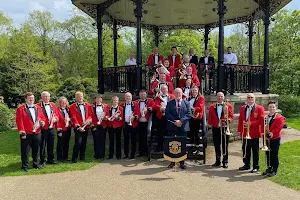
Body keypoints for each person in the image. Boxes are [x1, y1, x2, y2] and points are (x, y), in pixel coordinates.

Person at [16, 92, 46, 172]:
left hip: (37, 132)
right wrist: (22, 132)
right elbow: (19, 121)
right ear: (26, 99)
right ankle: (25, 166)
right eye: (29, 98)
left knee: (36, 149)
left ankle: (36, 164)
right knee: (25, 150)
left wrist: (42, 122)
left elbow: (42, 117)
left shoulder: (38, 107)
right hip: (26, 133)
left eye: (32, 98)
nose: (31, 99)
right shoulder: (20, 109)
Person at [165, 88, 191, 169]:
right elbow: (167, 113)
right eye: (176, 93)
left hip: (183, 127)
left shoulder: (186, 103)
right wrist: (175, 121)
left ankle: (182, 163)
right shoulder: (170, 103)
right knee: (172, 143)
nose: (178, 94)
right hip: (172, 126)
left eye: (179, 92)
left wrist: (181, 121)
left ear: (182, 93)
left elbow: (189, 114)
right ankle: (172, 162)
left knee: (182, 144)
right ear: (174, 93)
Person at [238, 93, 264, 173]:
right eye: (248, 97)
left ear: (254, 99)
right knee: (245, 149)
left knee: (255, 150)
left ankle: (256, 166)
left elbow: (261, 120)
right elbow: (240, 120)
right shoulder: (243, 108)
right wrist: (240, 131)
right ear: (246, 99)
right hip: (245, 133)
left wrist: (251, 123)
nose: (250, 99)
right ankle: (246, 164)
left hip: (254, 132)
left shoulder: (259, 108)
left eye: (252, 97)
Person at [208, 92, 234, 168]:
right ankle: (218, 161)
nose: (220, 97)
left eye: (221, 96)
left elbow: (231, 116)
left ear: (223, 97)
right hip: (216, 128)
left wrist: (227, 120)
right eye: (218, 96)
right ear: (216, 97)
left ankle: (225, 161)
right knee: (216, 145)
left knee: (225, 146)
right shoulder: (212, 106)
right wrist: (210, 127)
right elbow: (210, 118)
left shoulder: (228, 106)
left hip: (225, 128)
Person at [262, 101, 285, 177]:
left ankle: (274, 170)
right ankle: (269, 167)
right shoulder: (265, 117)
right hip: (267, 138)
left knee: (274, 154)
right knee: (267, 153)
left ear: (276, 108)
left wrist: (272, 132)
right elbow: (263, 126)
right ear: (268, 108)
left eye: (273, 107)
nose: (271, 108)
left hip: (275, 138)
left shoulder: (279, 117)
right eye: (270, 107)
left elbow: (279, 127)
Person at [69, 91, 93, 163]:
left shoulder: (87, 105)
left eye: (81, 96)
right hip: (78, 127)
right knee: (78, 142)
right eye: (78, 97)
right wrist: (78, 126)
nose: (80, 98)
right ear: (76, 98)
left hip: (86, 126)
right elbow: (73, 117)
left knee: (84, 142)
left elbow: (90, 114)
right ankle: (74, 158)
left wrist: (88, 120)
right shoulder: (73, 106)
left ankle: (82, 157)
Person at [38, 91, 60, 166]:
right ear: (42, 97)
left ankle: (51, 159)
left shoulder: (53, 105)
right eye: (45, 96)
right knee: (42, 145)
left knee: (51, 144)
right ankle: (43, 160)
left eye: (48, 96)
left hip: (51, 128)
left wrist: (56, 119)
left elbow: (57, 115)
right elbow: (37, 117)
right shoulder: (38, 106)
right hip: (43, 129)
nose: (47, 98)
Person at [153, 85, 175, 151]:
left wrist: (167, 108)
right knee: (160, 133)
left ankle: (168, 147)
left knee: (169, 132)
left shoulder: (172, 96)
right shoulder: (158, 97)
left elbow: (174, 106)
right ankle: (160, 147)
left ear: (167, 89)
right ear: (160, 90)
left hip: (169, 118)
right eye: (162, 89)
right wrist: (160, 108)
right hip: (161, 117)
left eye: (165, 89)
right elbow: (154, 105)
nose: (164, 90)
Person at [120, 92, 140, 159]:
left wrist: (134, 117)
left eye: (129, 96)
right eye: (127, 96)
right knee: (126, 140)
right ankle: (126, 154)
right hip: (125, 124)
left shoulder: (136, 104)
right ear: (125, 98)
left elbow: (138, 113)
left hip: (133, 124)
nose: (128, 98)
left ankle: (132, 154)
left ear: (131, 97)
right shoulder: (122, 105)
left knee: (133, 140)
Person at [135, 90, 154, 157]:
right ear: (139, 95)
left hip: (147, 121)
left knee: (147, 137)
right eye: (141, 95)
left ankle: (146, 152)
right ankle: (140, 152)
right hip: (139, 122)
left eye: (144, 94)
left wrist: (149, 109)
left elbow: (153, 107)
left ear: (146, 95)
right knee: (140, 137)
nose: (142, 96)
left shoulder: (150, 100)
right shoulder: (136, 102)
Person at [91, 94, 109, 159]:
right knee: (96, 140)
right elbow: (90, 116)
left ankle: (102, 155)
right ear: (95, 99)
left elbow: (108, 115)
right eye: (97, 98)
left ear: (101, 99)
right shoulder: (91, 106)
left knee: (102, 140)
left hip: (103, 125)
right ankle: (96, 155)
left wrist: (105, 117)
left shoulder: (106, 106)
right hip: (95, 125)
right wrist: (92, 126)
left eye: (100, 98)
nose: (99, 100)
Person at [188, 86, 205, 155]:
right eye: (193, 90)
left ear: (198, 91)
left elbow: (201, 107)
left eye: (196, 90)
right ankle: (192, 146)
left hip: (197, 117)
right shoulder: (189, 98)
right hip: (190, 117)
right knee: (190, 133)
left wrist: (193, 109)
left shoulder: (201, 98)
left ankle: (197, 147)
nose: (194, 92)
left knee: (196, 133)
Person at [56, 96, 72, 162]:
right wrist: (59, 130)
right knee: (60, 143)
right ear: (60, 103)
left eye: (65, 102)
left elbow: (71, 118)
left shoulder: (68, 109)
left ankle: (65, 156)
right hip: (61, 129)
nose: (64, 103)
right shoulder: (57, 110)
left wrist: (69, 119)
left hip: (68, 128)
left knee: (66, 143)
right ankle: (60, 157)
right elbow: (57, 121)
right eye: (62, 102)